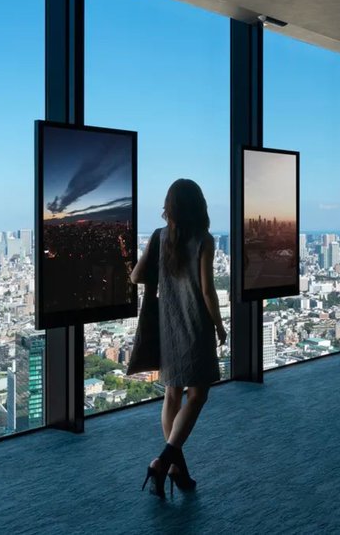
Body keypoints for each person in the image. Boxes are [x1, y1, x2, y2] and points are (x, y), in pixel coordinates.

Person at [133, 179, 227, 499]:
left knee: (172, 395)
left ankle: (176, 470)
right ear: (199, 205)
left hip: (167, 326)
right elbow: (207, 291)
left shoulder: (160, 238)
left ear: (169, 207)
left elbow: (135, 276)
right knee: (198, 396)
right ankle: (164, 461)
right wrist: (219, 326)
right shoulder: (204, 240)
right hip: (195, 325)